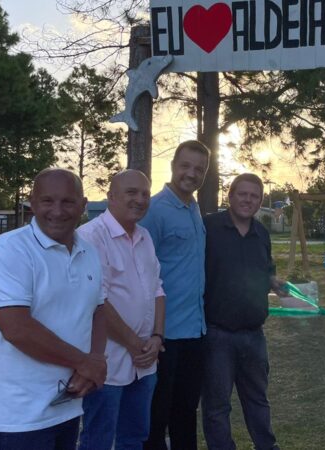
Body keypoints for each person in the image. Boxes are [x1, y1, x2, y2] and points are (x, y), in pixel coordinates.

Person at [0, 168, 107, 450]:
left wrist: (94, 359)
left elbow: (98, 310)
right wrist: (84, 362)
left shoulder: (89, 252)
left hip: (68, 404)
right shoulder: (11, 250)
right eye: (47, 201)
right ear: (32, 203)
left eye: (68, 202)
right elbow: (17, 329)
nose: (57, 211)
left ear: (83, 206)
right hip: (20, 415)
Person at [77, 170, 165, 450]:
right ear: (111, 196)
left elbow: (157, 289)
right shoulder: (91, 237)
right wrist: (134, 344)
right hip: (108, 361)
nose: (140, 199)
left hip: (144, 362)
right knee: (98, 439)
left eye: (145, 194)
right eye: (131, 192)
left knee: (134, 437)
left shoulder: (145, 237)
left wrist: (157, 337)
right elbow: (96, 301)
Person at [202, 173, 284, 450]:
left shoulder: (261, 233)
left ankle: (266, 446)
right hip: (217, 335)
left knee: (258, 400)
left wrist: (273, 281)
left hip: (254, 335)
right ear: (230, 195)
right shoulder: (209, 228)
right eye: (243, 194)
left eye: (254, 196)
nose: (248, 200)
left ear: (260, 201)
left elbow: (266, 268)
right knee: (216, 405)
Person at [140, 140, 210, 450]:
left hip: (195, 331)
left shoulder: (194, 208)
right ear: (173, 166)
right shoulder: (154, 211)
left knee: (185, 411)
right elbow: (140, 272)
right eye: (186, 165)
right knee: (157, 416)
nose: (191, 174)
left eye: (199, 169)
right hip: (164, 334)